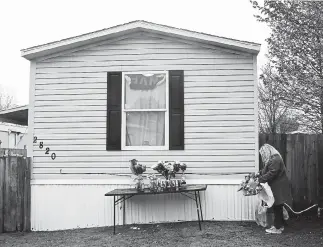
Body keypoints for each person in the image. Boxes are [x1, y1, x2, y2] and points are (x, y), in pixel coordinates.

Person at [257, 144, 292, 234]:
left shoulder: (275, 159)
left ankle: (278, 228)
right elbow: (266, 170)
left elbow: (272, 173)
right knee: (278, 206)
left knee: (277, 206)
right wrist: (259, 174)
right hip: (277, 185)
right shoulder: (274, 159)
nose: (263, 156)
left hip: (278, 186)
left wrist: (260, 179)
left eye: (263, 154)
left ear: (267, 151)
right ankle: (280, 225)